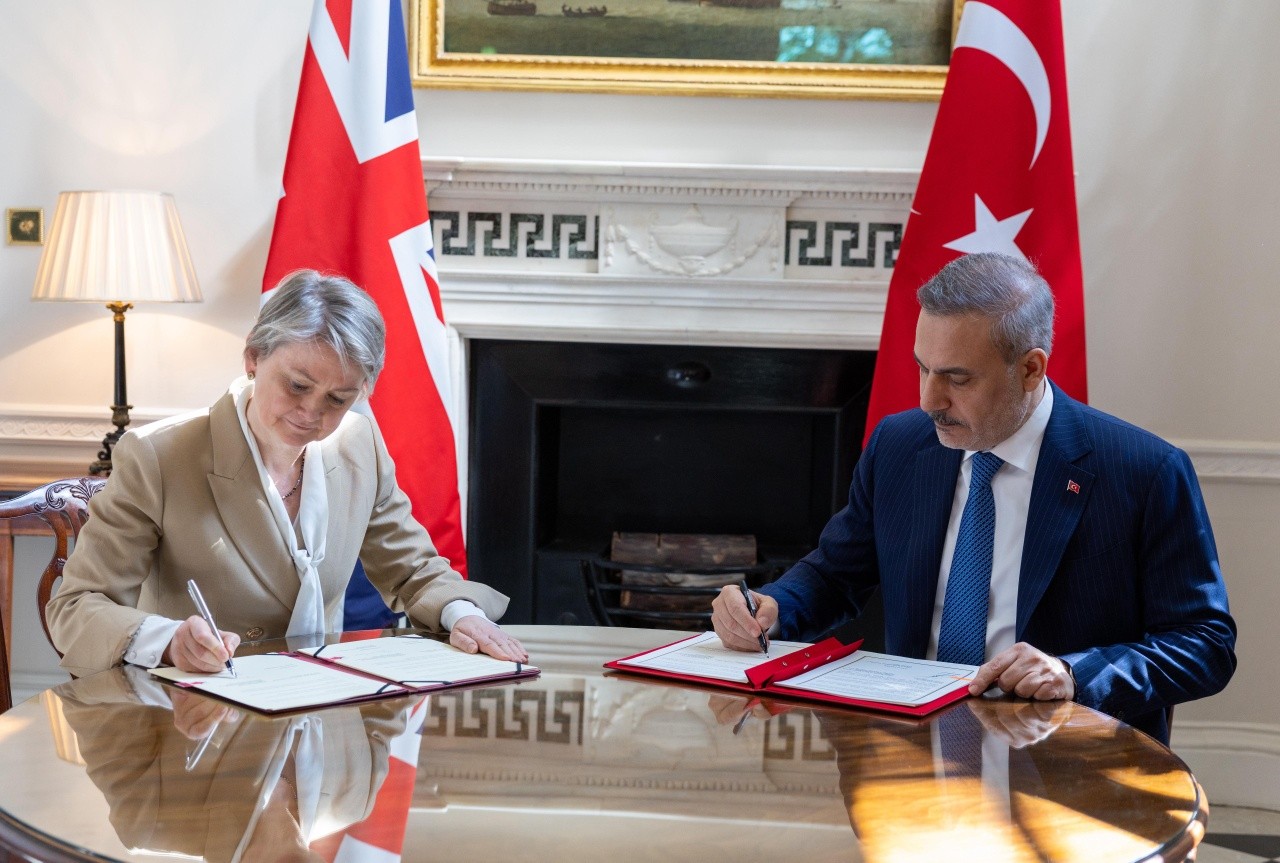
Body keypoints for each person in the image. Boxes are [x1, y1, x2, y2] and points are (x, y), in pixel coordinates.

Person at [711, 252, 1236, 744]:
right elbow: (834, 575)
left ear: (1030, 369)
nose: (928, 400)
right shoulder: (900, 446)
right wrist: (771, 607)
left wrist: (1073, 673)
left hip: (1063, 759)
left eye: (957, 379)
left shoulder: (1142, 471)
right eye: (923, 368)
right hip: (909, 750)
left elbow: (1204, 643)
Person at [49, 270, 526, 678]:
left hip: (322, 709)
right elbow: (76, 606)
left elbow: (413, 570)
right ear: (254, 357)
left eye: (338, 399)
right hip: (199, 720)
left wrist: (461, 613)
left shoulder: (358, 444)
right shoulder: (159, 456)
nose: (311, 413)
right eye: (297, 385)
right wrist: (169, 640)